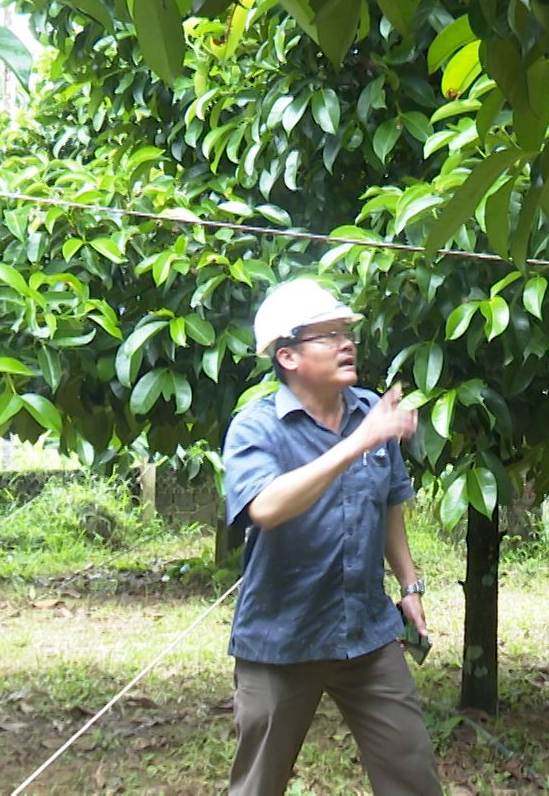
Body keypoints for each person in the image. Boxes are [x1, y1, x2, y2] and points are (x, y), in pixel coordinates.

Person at [222, 279, 441, 796]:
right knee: (258, 786)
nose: (347, 343)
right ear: (288, 356)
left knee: (413, 775)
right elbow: (266, 507)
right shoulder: (256, 428)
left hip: (367, 633)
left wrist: (409, 586)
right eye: (328, 335)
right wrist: (356, 444)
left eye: (347, 333)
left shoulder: (370, 411)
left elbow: (388, 502)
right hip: (281, 639)